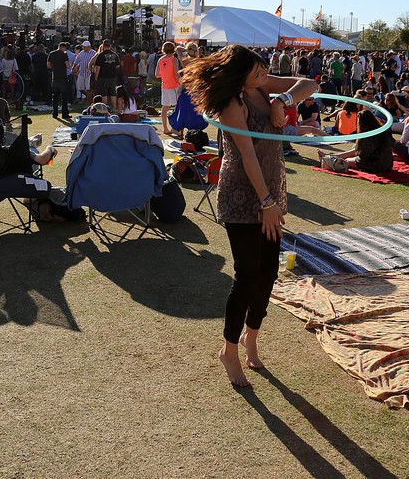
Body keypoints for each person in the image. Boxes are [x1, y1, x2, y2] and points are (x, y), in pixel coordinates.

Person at [183, 44, 317, 387]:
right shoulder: (233, 104)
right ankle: (228, 350)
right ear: (239, 76)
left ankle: (251, 337)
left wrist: (282, 101)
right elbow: (247, 156)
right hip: (243, 196)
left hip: (271, 187)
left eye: (263, 68)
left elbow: (309, 83)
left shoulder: (262, 86)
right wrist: (266, 203)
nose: (263, 74)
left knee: (268, 272)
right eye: (256, 70)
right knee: (247, 274)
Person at [318, 109, 394, 173]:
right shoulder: (383, 130)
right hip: (387, 163)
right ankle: (332, 156)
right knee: (354, 151)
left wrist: (356, 152)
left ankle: (330, 159)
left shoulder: (367, 135)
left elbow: (363, 154)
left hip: (376, 165)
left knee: (348, 160)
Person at [157, 42, 182, 136]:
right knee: (177, 107)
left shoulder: (160, 59)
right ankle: (175, 128)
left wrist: (165, 74)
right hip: (173, 85)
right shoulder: (174, 59)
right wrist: (182, 82)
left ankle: (165, 128)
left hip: (164, 85)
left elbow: (157, 74)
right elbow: (176, 73)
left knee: (165, 108)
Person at [47, 42, 72, 120]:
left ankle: (55, 113)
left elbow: (48, 65)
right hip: (63, 78)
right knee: (64, 97)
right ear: (64, 47)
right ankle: (64, 114)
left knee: (55, 97)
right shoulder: (64, 54)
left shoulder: (51, 54)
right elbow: (67, 65)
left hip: (55, 78)